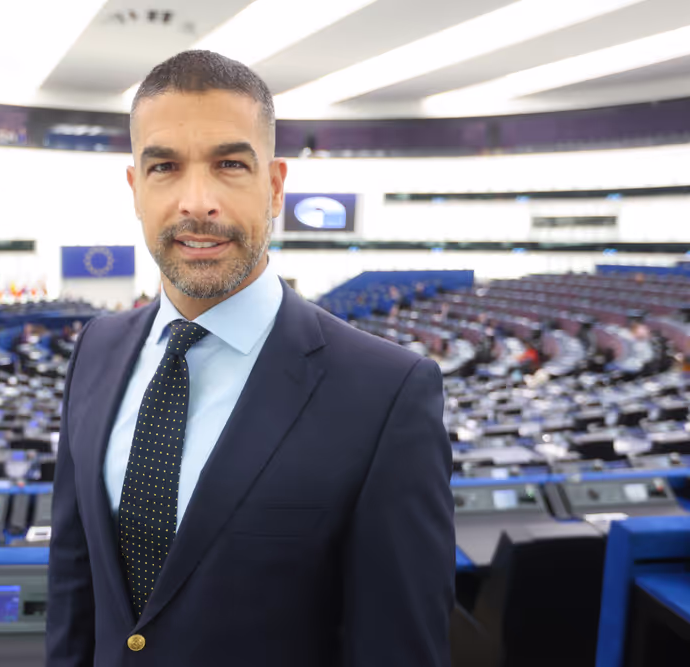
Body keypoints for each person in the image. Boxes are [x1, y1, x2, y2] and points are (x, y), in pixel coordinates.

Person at [47, 50, 453, 667]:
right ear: (136, 189)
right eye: (165, 167)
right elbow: (76, 591)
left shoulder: (387, 393)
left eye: (230, 164)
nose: (197, 201)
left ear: (275, 187)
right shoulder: (95, 349)